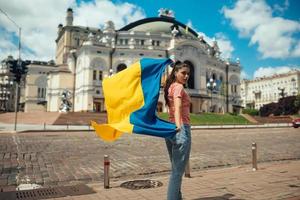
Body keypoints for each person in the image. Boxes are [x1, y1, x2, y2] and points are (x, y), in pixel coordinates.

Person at [164, 60, 191, 200]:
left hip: (170, 129)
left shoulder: (171, 87)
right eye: (183, 73)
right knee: (177, 172)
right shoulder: (179, 87)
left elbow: (173, 107)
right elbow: (178, 106)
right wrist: (180, 126)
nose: (186, 76)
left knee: (175, 170)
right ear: (175, 73)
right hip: (180, 128)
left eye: (188, 74)